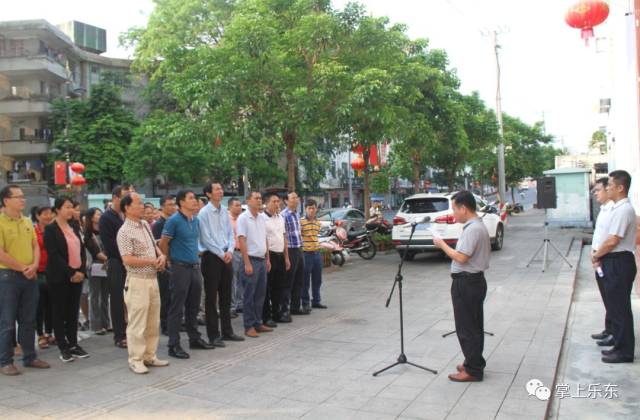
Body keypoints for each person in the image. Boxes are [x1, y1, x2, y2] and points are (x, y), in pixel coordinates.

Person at [434, 191, 490, 382]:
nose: (453, 213)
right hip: (473, 281)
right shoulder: (476, 226)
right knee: (473, 325)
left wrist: (441, 244)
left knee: (467, 327)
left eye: (454, 209)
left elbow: (461, 257)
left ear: (463, 208)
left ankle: (473, 370)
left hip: (467, 283)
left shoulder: (473, 229)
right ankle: (473, 362)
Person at [117, 193, 169, 374]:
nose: (143, 207)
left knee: (153, 321)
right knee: (137, 322)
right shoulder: (124, 231)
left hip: (152, 279)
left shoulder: (145, 225)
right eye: (138, 203)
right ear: (127, 208)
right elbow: (127, 259)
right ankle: (136, 359)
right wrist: (151, 262)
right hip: (137, 281)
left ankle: (150, 355)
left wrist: (161, 255)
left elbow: (154, 247)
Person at [0, 185, 49, 375]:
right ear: (6, 200)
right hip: (8, 277)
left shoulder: (27, 221)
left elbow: (35, 245)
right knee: (7, 320)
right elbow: (1, 254)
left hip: (30, 275)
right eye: (18, 197)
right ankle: (6, 361)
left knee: (28, 319)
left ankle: (30, 357)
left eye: (23, 197)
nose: (23, 200)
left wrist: (34, 265)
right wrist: (23, 267)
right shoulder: (1, 222)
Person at [160, 190, 214, 359]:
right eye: (191, 198)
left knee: (193, 305)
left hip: (194, 267)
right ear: (181, 202)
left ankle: (194, 338)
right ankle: (173, 344)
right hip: (179, 268)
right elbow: (164, 243)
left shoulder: (195, 220)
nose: (195, 201)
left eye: (195, 199)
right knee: (177, 307)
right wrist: (168, 261)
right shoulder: (173, 221)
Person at [592, 170, 637, 363]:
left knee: (620, 309)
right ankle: (618, 343)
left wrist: (596, 254)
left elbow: (612, 241)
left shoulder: (622, 210)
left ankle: (624, 351)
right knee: (616, 307)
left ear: (620, 188)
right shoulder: (617, 209)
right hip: (613, 261)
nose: (607, 187)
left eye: (610, 185)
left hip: (619, 261)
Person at [199, 182, 245, 347]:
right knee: (211, 299)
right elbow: (205, 238)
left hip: (226, 256)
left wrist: (230, 251)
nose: (221, 191)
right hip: (211, 257)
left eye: (221, 188)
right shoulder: (203, 213)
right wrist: (221, 253)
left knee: (226, 296)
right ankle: (213, 335)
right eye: (217, 189)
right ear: (208, 194)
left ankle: (227, 330)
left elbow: (230, 234)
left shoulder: (225, 212)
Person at [45, 196, 89, 363]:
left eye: (72, 207)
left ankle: (73, 343)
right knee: (59, 312)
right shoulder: (51, 229)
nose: (71, 210)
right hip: (60, 277)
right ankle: (63, 346)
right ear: (57, 209)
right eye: (67, 207)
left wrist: (81, 271)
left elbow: (82, 251)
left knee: (72, 312)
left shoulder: (74, 226)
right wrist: (71, 272)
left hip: (77, 276)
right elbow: (54, 255)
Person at [99, 185, 131, 349]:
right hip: (117, 262)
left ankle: (131, 331)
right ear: (115, 198)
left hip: (130, 263)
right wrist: (127, 257)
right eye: (125, 196)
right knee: (118, 300)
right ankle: (119, 335)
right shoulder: (106, 218)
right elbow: (110, 246)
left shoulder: (126, 216)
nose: (128, 200)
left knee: (131, 299)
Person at [237, 191, 273, 338]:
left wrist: (268, 259)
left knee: (260, 295)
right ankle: (249, 326)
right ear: (248, 201)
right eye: (256, 198)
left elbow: (265, 239)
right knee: (249, 296)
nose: (259, 201)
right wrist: (246, 263)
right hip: (250, 260)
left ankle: (258, 322)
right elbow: (242, 240)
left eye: (260, 198)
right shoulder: (243, 218)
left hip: (261, 260)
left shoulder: (261, 218)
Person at [590, 178, 614, 344]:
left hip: (609, 259)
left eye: (598, 190)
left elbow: (612, 240)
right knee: (608, 298)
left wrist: (597, 255)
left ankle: (617, 336)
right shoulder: (604, 209)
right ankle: (610, 330)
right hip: (600, 258)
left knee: (615, 300)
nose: (595, 193)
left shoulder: (615, 210)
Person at [262, 193, 290, 326]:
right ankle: (266, 317)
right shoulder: (262, 219)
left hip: (280, 255)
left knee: (279, 287)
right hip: (270, 255)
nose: (277, 204)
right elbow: (264, 240)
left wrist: (286, 257)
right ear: (267, 203)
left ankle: (277, 313)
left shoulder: (280, 217)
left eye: (278, 201)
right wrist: (267, 259)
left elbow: (284, 237)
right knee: (268, 287)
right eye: (274, 201)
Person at [152, 195, 176, 335]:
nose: (172, 207)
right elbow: (157, 245)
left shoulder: (175, 222)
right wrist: (164, 260)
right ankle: (165, 324)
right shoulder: (159, 224)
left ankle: (174, 322)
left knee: (175, 295)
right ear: (162, 206)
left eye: (174, 204)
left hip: (176, 262)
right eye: (169, 204)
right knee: (165, 295)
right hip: (165, 264)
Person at [84, 208, 110, 335]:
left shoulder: (104, 230)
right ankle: (96, 325)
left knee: (105, 295)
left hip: (106, 264)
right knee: (95, 296)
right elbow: (94, 251)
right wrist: (108, 259)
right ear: (92, 217)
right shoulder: (88, 233)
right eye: (98, 214)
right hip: (95, 266)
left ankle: (106, 323)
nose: (100, 216)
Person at [282, 192, 308, 317]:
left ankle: (295, 307)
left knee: (299, 279)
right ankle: (285, 308)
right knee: (288, 281)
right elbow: (283, 236)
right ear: (286, 201)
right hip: (290, 250)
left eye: (296, 197)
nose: (296, 199)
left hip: (299, 249)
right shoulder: (284, 215)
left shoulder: (297, 214)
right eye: (292, 198)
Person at [33, 206, 54, 348]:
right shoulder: (33, 231)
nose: (48, 216)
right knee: (39, 305)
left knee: (51, 304)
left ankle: (48, 332)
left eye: (50, 214)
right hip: (38, 272)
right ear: (38, 216)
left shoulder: (53, 230)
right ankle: (40, 334)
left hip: (53, 272)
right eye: (45, 214)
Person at [301, 199, 327, 310]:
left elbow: (316, 237)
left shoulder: (318, 223)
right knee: (305, 280)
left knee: (317, 280)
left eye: (313, 208)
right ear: (305, 209)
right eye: (309, 208)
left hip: (317, 254)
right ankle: (305, 303)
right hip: (306, 254)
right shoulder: (301, 222)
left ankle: (316, 301)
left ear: (316, 209)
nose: (311, 210)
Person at [229, 197, 244, 317]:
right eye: (237, 205)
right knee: (232, 280)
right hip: (233, 252)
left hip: (243, 252)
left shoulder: (242, 219)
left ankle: (240, 303)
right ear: (230, 207)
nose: (239, 208)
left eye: (240, 205)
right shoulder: (226, 219)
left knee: (241, 279)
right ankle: (232, 306)